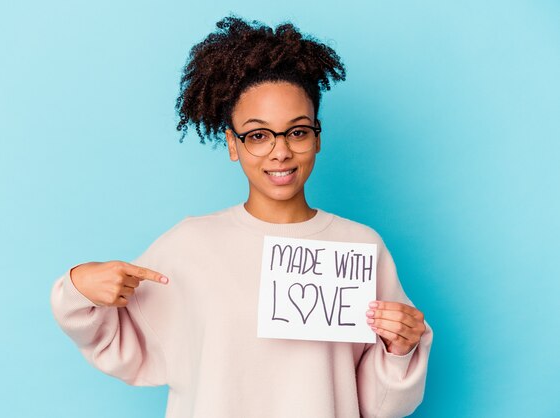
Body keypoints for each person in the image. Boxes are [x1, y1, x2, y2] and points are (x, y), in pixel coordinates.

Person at [50, 15, 433, 418]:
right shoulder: (190, 245)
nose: (280, 151)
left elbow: (380, 405)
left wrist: (399, 350)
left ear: (317, 137)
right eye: (258, 135)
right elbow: (117, 344)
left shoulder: (360, 246)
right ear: (233, 144)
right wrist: (78, 288)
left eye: (297, 131)